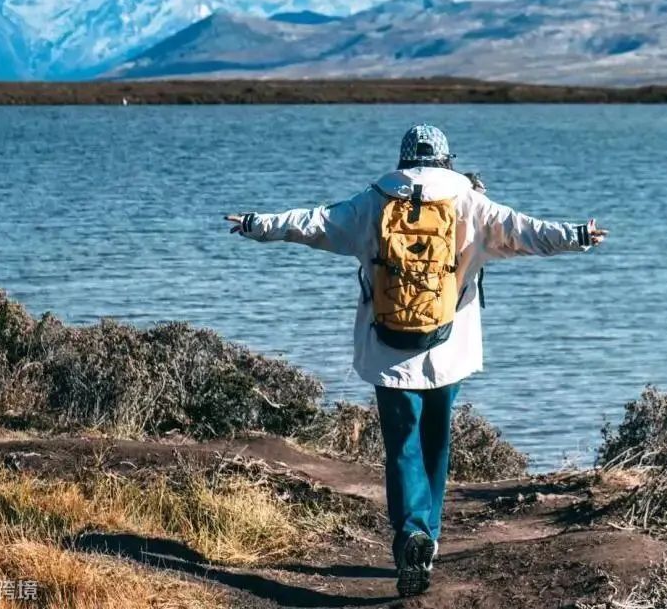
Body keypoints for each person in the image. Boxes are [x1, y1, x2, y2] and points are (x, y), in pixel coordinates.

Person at [226, 123, 607, 598]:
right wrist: (577, 235)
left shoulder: (374, 202)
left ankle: (411, 532)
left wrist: (256, 223)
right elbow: (525, 231)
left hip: (388, 349)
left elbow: (314, 223)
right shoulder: (469, 202)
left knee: (402, 444)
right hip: (448, 349)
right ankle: (428, 536)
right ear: (446, 160)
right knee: (435, 443)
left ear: (404, 159)